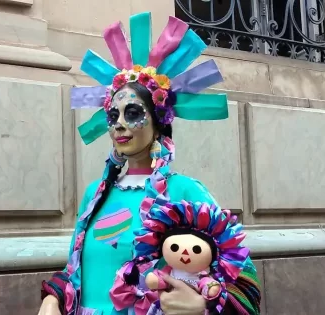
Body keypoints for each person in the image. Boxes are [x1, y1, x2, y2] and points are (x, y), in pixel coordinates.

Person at [39, 11, 261, 315]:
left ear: (158, 122)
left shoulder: (184, 192)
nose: (119, 125)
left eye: (132, 113)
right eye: (113, 116)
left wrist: (204, 305)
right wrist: (53, 298)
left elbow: (243, 274)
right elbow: (76, 271)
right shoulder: (95, 194)